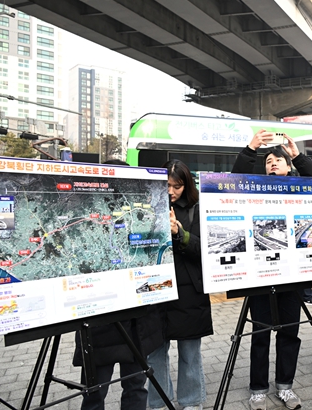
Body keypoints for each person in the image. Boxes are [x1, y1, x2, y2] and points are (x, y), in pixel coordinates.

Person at [232, 129, 312, 410]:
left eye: (278, 160)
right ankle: (258, 389)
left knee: (289, 334)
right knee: (260, 334)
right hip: (259, 275)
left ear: (288, 166)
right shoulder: (254, 188)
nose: (272, 164)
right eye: (268, 161)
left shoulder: (300, 188)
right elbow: (233, 181)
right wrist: (250, 149)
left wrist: (298, 155)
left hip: (292, 276)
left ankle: (285, 386)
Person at [72, 160, 165, 410]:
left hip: (133, 322)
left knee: (118, 389)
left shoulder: (145, 219)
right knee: (103, 391)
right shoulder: (86, 223)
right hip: (105, 324)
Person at [147, 159, 213, 410]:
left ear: (187, 185)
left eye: (177, 186)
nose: (171, 191)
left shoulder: (197, 208)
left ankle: (191, 401)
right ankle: (158, 402)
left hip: (188, 292)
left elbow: (205, 249)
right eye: (167, 185)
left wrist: (179, 233)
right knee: (155, 351)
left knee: (189, 351)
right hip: (155, 288)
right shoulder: (147, 207)